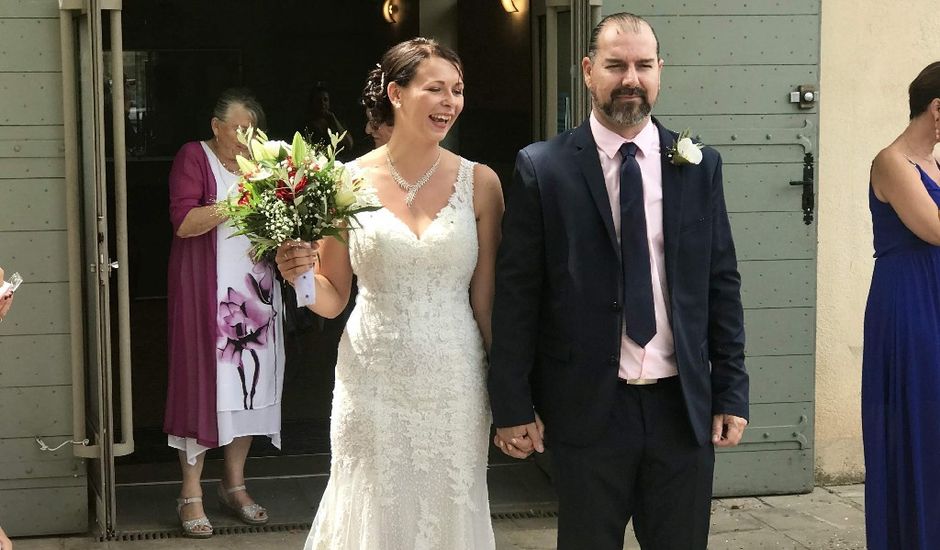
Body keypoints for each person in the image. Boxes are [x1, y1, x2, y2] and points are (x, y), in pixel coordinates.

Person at [488, 13, 749, 550]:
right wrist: (512, 404)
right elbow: (518, 296)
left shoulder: (699, 166)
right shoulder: (544, 168)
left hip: (682, 409)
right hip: (587, 410)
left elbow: (721, 284)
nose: (631, 78)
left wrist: (732, 391)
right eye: (615, 65)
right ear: (588, 72)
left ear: (660, 72)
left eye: (643, 65)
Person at [275, 37, 504, 550]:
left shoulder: (481, 183)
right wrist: (300, 277)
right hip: (373, 379)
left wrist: (511, 396)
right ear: (397, 95)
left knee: (451, 506)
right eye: (436, 89)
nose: (450, 102)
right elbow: (333, 297)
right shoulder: (344, 182)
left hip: (455, 382)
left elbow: (485, 304)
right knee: (372, 507)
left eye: (458, 91)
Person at [163, 88, 283, 538]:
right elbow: (184, 222)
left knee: (246, 387)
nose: (243, 138)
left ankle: (234, 485)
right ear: (216, 127)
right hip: (205, 296)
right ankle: (190, 492)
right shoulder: (194, 157)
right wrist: (238, 201)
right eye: (236, 129)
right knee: (201, 385)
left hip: (255, 296)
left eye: (251, 131)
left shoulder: (266, 165)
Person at [862, 61, 940, 550]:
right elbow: (934, 230)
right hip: (908, 304)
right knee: (917, 416)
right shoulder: (890, 162)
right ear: (937, 109)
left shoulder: (936, 165)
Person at [304, 84, 354, 151]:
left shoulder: (337, 121)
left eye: (325, 100)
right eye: (318, 100)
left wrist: (334, 120)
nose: (322, 103)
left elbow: (349, 144)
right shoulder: (307, 125)